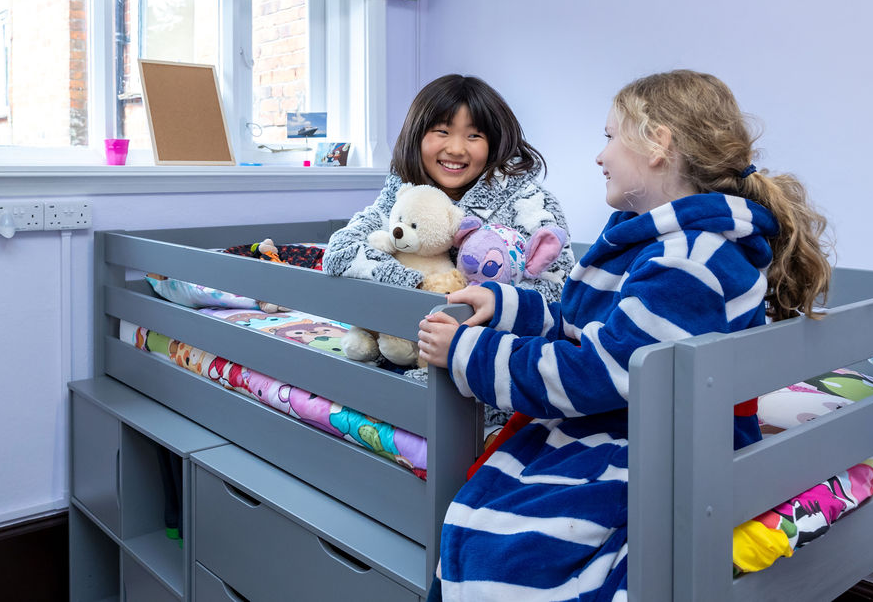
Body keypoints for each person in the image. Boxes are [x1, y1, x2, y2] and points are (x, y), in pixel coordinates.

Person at [417, 69, 832, 601]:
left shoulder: (691, 260)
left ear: (658, 145)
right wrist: (506, 306)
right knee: (488, 521)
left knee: (505, 547)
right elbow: (586, 322)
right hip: (633, 413)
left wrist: (471, 354)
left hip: (658, 439)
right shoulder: (654, 243)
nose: (600, 155)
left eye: (610, 137)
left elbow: (599, 371)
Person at [323, 73, 575, 436]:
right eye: (441, 131)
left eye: (474, 135)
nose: (456, 148)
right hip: (407, 350)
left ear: (494, 142)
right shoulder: (401, 195)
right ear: (417, 136)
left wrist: (491, 301)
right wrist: (420, 285)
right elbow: (340, 254)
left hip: (491, 367)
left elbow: (559, 296)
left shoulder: (530, 203)